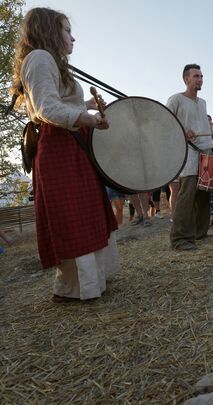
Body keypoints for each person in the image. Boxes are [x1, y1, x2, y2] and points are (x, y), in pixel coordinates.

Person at [10, 8, 119, 302]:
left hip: (70, 144)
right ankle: (75, 288)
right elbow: (48, 109)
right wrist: (90, 119)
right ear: (49, 30)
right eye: (67, 30)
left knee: (86, 211)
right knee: (74, 215)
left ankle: (90, 283)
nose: (73, 37)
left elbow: (61, 103)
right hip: (59, 146)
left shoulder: (48, 61)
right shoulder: (40, 58)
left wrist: (89, 107)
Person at [166, 64, 213, 251]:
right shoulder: (176, 99)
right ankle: (179, 238)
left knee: (204, 193)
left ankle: (199, 232)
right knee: (187, 194)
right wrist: (181, 130)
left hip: (206, 150)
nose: (200, 79)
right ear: (186, 79)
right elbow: (165, 122)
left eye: (201, 76)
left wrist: (211, 136)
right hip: (188, 152)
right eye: (196, 76)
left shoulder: (202, 102)